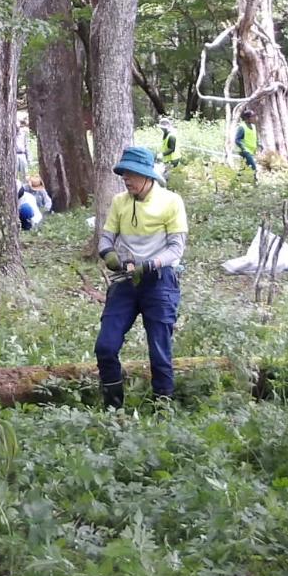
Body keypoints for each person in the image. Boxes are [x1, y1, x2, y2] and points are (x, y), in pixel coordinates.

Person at [93, 145, 188, 408]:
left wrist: (151, 264)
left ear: (148, 176)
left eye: (132, 174)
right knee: (106, 346)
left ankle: (163, 407)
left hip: (160, 281)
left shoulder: (171, 202)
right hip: (125, 281)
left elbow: (176, 248)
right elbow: (106, 237)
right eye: (124, 173)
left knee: (159, 349)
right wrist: (109, 254)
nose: (126, 178)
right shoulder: (119, 202)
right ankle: (113, 408)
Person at [233, 109, 259, 177]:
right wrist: (243, 148)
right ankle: (255, 183)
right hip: (245, 152)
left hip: (251, 151)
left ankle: (236, 180)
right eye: (252, 116)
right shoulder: (242, 127)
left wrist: (259, 144)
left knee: (244, 168)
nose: (254, 118)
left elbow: (254, 137)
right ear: (247, 118)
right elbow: (237, 140)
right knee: (254, 168)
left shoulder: (253, 126)